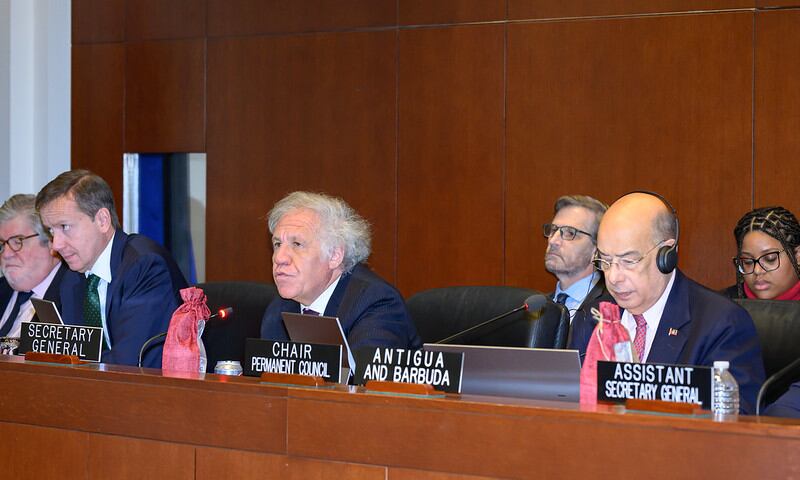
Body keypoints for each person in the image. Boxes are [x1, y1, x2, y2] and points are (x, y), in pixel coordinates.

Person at [570, 192, 765, 414]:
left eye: (628, 261)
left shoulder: (721, 324)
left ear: (667, 254)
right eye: (605, 261)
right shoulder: (594, 316)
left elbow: (737, 421)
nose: (613, 277)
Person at [35, 170, 188, 367]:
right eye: (51, 231)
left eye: (64, 227)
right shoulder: (72, 276)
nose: (56, 245)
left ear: (102, 220)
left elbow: (129, 362)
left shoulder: (146, 266)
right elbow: (72, 353)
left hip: (157, 392)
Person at [261, 191, 421, 351]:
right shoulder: (281, 307)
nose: (279, 258)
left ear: (334, 256)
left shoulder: (376, 303)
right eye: (277, 244)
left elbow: (363, 375)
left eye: (297, 244)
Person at [0, 194, 77, 345]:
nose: (6, 254)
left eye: (18, 241)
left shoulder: (77, 296)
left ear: (50, 242)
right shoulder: (2, 290)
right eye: (2, 244)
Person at [544, 195, 611, 323]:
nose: (553, 241)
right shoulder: (534, 308)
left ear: (597, 248)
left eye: (570, 233)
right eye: (553, 230)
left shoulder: (612, 309)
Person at [725, 206, 800, 300]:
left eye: (770, 259)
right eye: (748, 262)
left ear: (797, 256)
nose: (757, 270)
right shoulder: (722, 305)